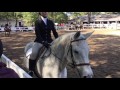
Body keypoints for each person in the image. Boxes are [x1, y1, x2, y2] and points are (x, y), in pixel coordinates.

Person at [28, 12, 59, 76]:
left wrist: (58, 40)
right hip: (39, 41)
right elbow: (37, 34)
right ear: (40, 13)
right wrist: (43, 42)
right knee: (34, 53)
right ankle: (31, 70)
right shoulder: (37, 22)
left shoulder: (50, 22)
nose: (45, 12)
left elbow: (54, 32)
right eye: (43, 11)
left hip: (50, 41)